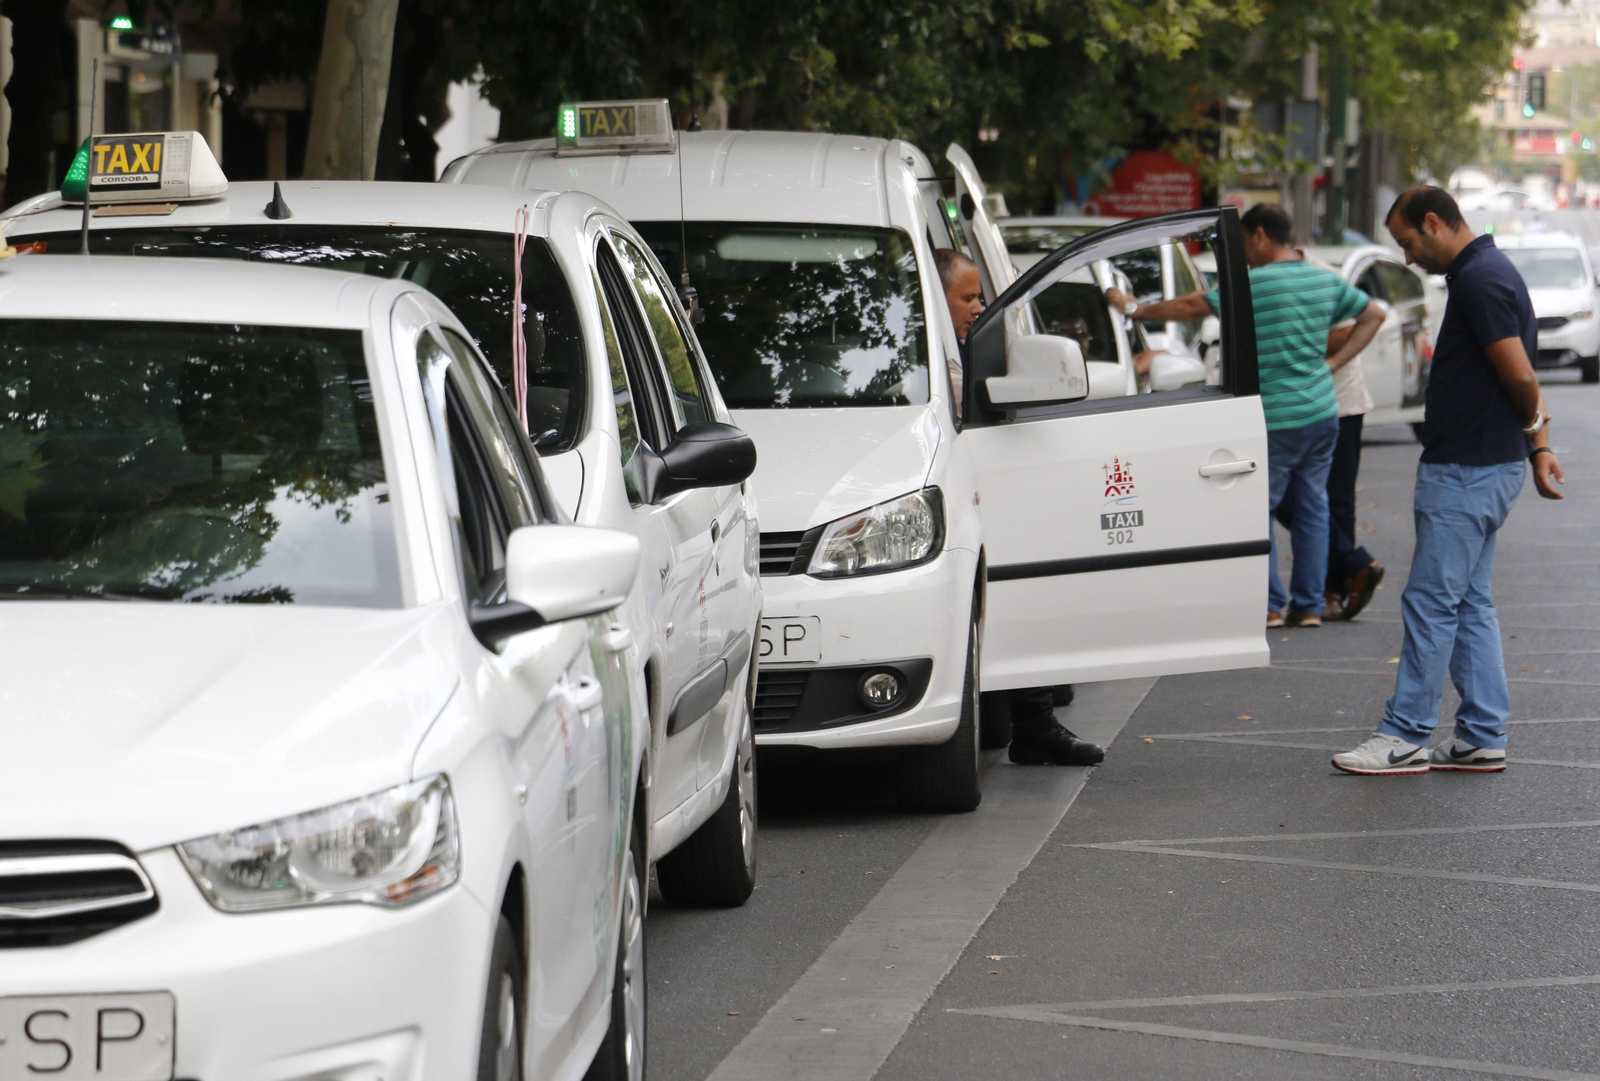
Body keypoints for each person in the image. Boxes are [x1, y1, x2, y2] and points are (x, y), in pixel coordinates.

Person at [1332, 186, 1565, 775]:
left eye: (1408, 242)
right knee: (1468, 603)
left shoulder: (1479, 279)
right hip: (1484, 464)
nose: (1409, 258)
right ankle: (1482, 734)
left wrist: (1538, 433)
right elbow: (1518, 377)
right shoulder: (1487, 272)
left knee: (1433, 602)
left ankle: (1405, 734)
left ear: (1433, 222)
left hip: (1467, 469)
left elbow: (1518, 374)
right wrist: (1535, 443)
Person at [1105, 205, 1385, 628]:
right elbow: (1374, 315)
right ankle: (1308, 606)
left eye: (1243, 243)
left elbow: (1189, 307)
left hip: (1274, 417)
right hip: (1322, 412)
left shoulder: (1251, 285)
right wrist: (1335, 363)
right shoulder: (1324, 279)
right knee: (1312, 509)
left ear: (1258, 234)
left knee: (1262, 511)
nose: (1244, 254)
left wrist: (1134, 309)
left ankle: (1271, 604)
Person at [936, 248, 1104, 767]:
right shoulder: (927, 360)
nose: (979, 306)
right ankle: (1030, 722)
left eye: (980, 296)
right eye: (967, 297)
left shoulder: (971, 348)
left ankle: (1034, 723)